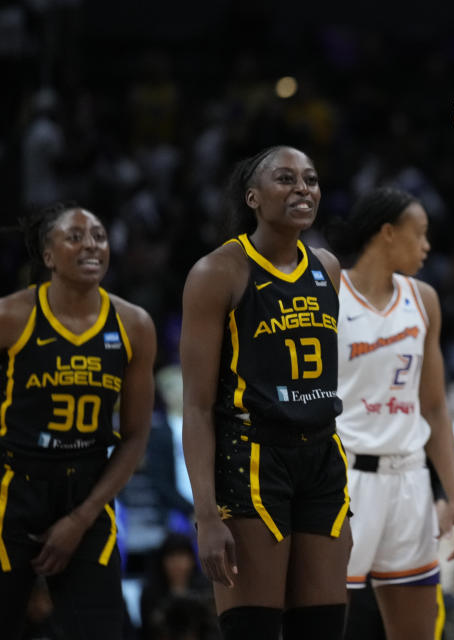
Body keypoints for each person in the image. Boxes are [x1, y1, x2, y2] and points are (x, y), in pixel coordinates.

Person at [180, 145, 351, 640]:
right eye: (286, 179)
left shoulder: (328, 268)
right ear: (252, 197)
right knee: (252, 628)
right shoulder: (218, 272)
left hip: (322, 456)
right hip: (251, 456)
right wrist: (206, 516)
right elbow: (195, 405)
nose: (302, 188)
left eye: (311, 180)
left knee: (322, 628)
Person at [0, 203, 157, 639]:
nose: (92, 245)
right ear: (48, 256)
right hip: (13, 490)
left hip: (87, 494)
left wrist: (81, 517)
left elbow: (136, 435)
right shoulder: (10, 317)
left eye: (100, 236)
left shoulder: (134, 325)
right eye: (75, 236)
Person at [326, 186, 454, 639]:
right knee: (324, 624)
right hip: (345, 479)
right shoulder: (331, 290)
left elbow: (435, 408)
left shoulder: (423, 299)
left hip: (409, 482)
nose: (427, 246)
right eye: (419, 234)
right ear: (387, 233)